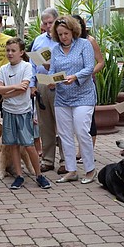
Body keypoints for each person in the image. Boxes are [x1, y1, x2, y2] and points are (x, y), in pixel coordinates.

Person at [0, 38, 52, 190]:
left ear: (21, 52)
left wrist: (5, 93)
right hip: (8, 111)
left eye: (13, 50)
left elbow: (23, 88)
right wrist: (12, 88)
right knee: (12, 144)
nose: (10, 53)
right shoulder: (3, 69)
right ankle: (19, 175)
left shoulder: (26, 67)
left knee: (28, 144)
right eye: (8, 50)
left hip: (23, 111)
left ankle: (39, 175)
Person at [49, 15, 97, 184]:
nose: (63, 37)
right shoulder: (55, 49)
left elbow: (90, 67)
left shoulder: (84, 44)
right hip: (62, 97)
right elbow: (52, 71)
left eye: (66, 33)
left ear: (73, 31)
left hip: (84, 95)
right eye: (60, 34)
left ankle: (90, 169)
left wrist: (75, 77)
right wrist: (51, 82)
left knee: (82, 130)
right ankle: (71, 170)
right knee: (64, 134)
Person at [32, 8, 60, 172]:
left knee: (62, 123)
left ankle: (65, 160)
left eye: (51, 22)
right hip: (42, 84)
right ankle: (48, 160)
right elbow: (33, 64)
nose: (48, 26)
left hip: (59, 83)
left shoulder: (64, 39)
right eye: (45, 23)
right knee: (45, 124)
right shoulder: (38, 40)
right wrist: (32, 85)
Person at [73, 14, 105, 152]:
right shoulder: (68, 43)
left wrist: (89, 72)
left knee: (89, 119)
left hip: (86, 85)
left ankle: (86, 150)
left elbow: (101, 62)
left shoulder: (89, 40)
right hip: (71, 85)